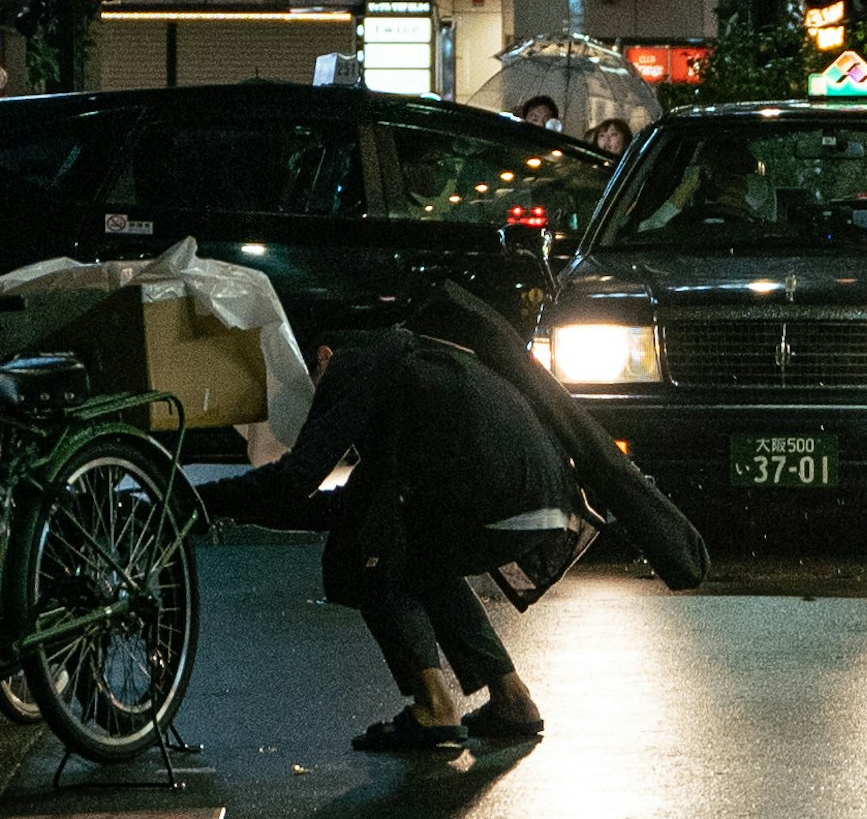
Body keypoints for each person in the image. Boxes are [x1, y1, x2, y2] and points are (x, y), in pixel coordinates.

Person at [220, 282, 702, 754]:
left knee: (365, 548)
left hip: (503, 500)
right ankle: (512, 698)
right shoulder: (418, 363)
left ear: (323, 357)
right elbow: (346, 499)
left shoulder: (355, 367)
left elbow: (297, 479)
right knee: (420, 551)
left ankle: (434, 707)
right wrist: (243, 513)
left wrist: (197, 500)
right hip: (552, 504)